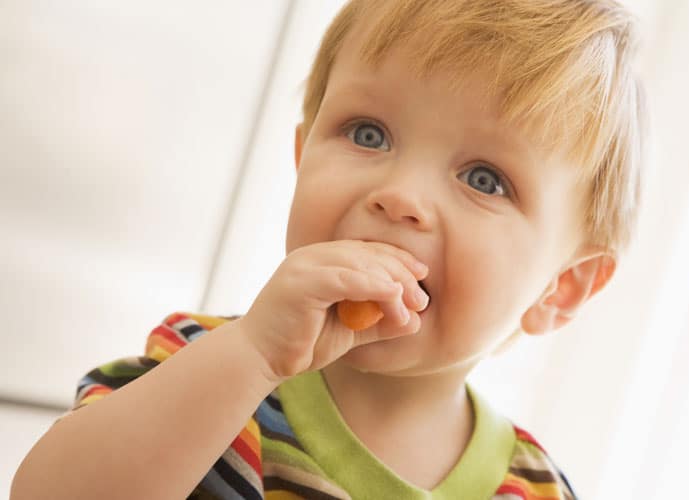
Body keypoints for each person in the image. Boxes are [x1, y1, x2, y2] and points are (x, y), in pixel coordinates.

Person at [11, 0, 647, 498]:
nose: (400, 197)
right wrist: (254, 355)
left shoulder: (536, 489)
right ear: (301, 156)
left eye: (484, 179)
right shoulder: (205, 373)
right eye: (368, 134)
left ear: (560, 288)